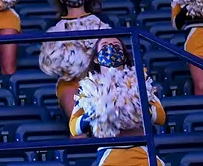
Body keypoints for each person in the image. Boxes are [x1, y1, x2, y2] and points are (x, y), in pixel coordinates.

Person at [69, 37, 167, 166]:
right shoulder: (88, 86)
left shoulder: (139, 81)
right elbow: (73, 128)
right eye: (104, 46)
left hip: (142, 152)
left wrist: (133, 109)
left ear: (124, 57)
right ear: (96, 58)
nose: (110, 48)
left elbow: (161, 117)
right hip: (109, 154)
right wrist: (96, 112)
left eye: (116, 45)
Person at [39, 0, 112, 120]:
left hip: (101, 80)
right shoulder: (53, 27)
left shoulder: (103, 21)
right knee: (79, 124)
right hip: (69, 82)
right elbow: (51, 61)